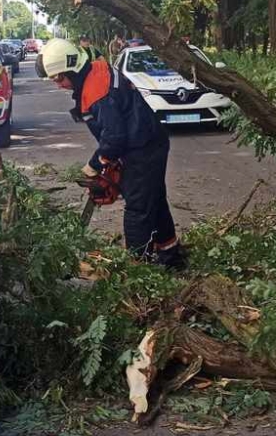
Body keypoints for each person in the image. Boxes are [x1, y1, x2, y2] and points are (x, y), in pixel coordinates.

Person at [40, 38, 183, 269]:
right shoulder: (96, 70)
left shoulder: (97, 91)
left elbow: (114, 138)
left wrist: (96, 164)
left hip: (142, 147)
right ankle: (170, 254)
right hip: (145, 141)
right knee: (153, 199)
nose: (59, 84)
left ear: (72, 69)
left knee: (138, 208)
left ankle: (139, 269)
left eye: (60, 78)